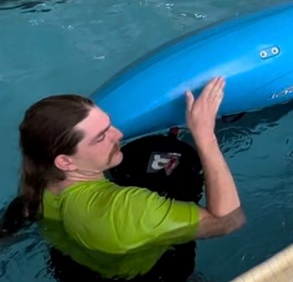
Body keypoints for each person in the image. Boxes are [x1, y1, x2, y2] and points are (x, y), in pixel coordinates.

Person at [0, 76, 245, 280]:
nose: (118, 134)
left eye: (109, 125)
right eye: (101, 136)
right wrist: (205, 135)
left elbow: (23, 208)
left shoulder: (38, 176)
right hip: (147, 275)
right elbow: (228, 221)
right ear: (66, 161)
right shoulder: (127, 210)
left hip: (72, 268)